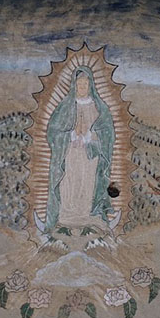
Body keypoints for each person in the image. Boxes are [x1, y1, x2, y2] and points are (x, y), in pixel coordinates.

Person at [45, 66, 116, 232]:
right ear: (74, 86)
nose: (82, 87)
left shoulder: (99, 108)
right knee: (69, 181)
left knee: (87, 181)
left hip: (90, 154)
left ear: (90, 85)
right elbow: (53, 132)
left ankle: (85, 214)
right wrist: (69, 135)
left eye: (85, 84)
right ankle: (66, 216)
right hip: (69, 153)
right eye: (79, 84)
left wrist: (90, 136)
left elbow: (108, 133)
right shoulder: (65, 107)